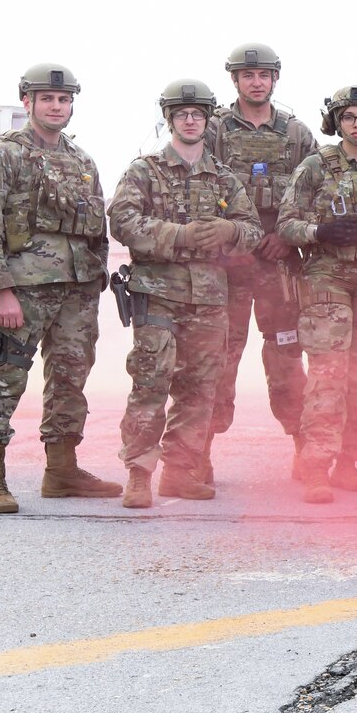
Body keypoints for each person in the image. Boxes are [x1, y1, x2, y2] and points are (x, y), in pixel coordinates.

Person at [0, 63, 118, 512]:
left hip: (78, 289)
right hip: (24, 288)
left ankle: (62, 471)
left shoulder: (81, 159)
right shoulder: (2, 155)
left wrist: (97, 277)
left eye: (63, 99)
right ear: (27, 102)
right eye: (46, 98)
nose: (55, 106)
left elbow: (96, 227)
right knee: (6, 375)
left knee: (71, 377)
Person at [110, 80, 263, 508]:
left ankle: (179, 471)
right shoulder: (146, 170)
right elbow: (122, 221)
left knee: (200, 389)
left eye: (197, 113)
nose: (191, 120)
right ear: (170, 119)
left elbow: (253, 229)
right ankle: (139, 472)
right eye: (182, 114)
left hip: (209, 299)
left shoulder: (224, 179)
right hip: (157, 295)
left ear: (208, 120)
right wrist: (178, 234)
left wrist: (230, 230)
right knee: (151, 382)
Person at [278, 87, 357, 504]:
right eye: (348, 116)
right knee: (328, 373)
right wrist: (320, 232)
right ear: (336, 122)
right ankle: (316, 465)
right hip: (327, 277)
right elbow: (286, 224)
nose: (356, 124)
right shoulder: (315, 167)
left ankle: (349, 461)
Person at [204, 42, 317, 481]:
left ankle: (304, 445)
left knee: (287, 354)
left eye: (264, 75)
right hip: (226, 267)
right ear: (234, 80)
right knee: (217, 357)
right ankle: (200, 450)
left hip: (277, 265)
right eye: (248, 75)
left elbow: (316, 193)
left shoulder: (296, 134)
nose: (256, 82)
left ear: (275, 79)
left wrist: (287, 239)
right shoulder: (210, 128)